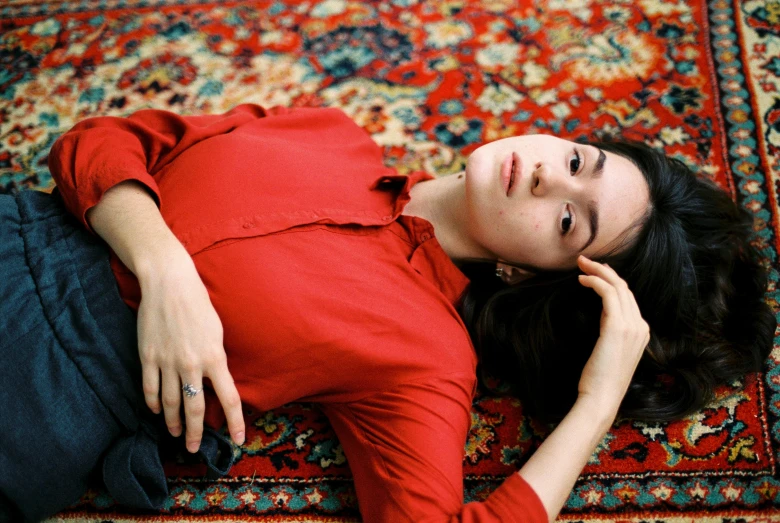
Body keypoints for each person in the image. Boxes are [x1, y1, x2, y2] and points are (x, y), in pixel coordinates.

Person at [0, 103, 773, 522]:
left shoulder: (428, 355)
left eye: (571, 221)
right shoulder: (330, 131)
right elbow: (104, 140)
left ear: (530, 274)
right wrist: (161, 264)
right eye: (577, 160)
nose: (543, 175)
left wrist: (597, 403)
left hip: (34, 393)